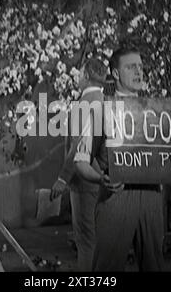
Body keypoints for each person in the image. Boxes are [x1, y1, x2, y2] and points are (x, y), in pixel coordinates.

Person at [74, 48, 165, 271]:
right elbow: (80, 161)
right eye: (130, 67)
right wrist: (100, 179)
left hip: (152, 198)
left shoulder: (158, 110)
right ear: (115, 73)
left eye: (141, 67)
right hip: (115, 197)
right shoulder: (100, 110)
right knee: (106, 270)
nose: (138, 72)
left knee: (154, 266)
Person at [50, 58, 108, 271]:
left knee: (85, 239)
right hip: (103, 177)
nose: (77, 76)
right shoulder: (107, 102)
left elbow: (77, 147)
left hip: (84, 181)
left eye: (80, 73)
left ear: (85, 76)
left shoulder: (82, 105)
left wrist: (62, 178)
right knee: (98, 237)